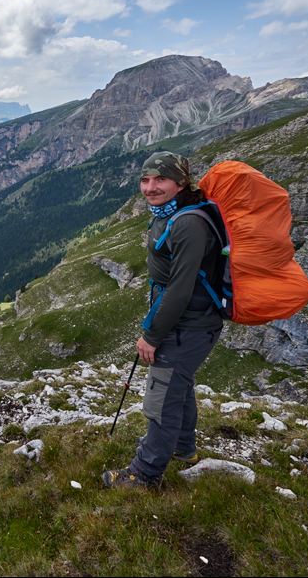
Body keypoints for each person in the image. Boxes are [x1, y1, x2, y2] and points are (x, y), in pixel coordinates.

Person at [102, 151, 224, 489]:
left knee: (161, 397)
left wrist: (151, 336)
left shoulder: (188, 223)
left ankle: (144, 474)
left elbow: (180, 290)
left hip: (188, 325)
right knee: (178, 386)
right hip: (188, 322)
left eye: (161, 179)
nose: (151, 187)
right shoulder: (171, 213)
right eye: (145, 180)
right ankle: (184, 449)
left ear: (181, 182)